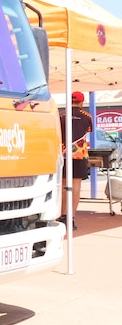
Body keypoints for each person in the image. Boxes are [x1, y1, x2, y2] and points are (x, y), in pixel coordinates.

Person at [60, 91, 93, 229]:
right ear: (82, 102)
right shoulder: (87, 116)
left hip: (63, 154)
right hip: (79, 155)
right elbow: (88, 130)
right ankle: (71, 218)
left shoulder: (61, 115)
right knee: (76, 188)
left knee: (63, 188)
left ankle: (61, 216)